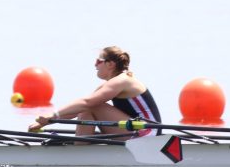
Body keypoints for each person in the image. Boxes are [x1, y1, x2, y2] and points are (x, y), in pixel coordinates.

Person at [29, 46, 162, 138]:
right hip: (136, 131)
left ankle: (77, 152)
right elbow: (77, 110)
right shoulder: (110, 84)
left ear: (110, 64)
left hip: (149, 134)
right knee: (87, 108)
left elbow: (87, 103)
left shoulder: (123, 81)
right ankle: (78, 149)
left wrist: (53, 114)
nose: (95, 65)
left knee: (92, 106)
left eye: (99, 61)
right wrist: (46, 122)